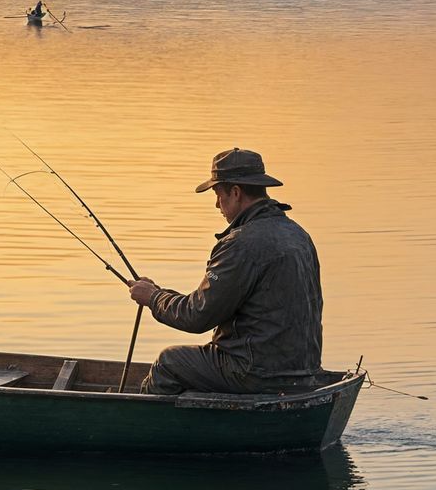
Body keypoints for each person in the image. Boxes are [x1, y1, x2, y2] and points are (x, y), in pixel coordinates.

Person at [128, 148, 323, 397]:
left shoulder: (240, 244)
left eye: (218, 195)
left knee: (169, 362)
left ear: (235, 192)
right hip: (303, 372)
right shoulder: (298, 235)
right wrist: (159, 293)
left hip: (254, 373)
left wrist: (153, 299)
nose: (216, 204)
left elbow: (198, 316)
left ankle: (147, 426)